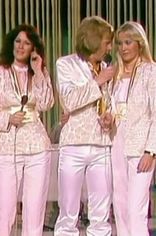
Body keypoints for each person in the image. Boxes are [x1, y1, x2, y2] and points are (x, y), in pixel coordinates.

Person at [0, 24, 54, 236]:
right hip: (8, 146)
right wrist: (8, 118)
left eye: (27, 43)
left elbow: (47, 103)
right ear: (11, 43)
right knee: (5, 212)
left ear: (34, 48)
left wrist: (39, 71)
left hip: (38, 146)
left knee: (34, 211)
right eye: (18, 41)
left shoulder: (39, 73)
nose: (21, 46)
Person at [54, 16, 115, 236]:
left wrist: (110, 115)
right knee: (68, 212)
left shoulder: (107, 67)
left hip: (102, 144)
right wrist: (98, 82)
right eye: (107, 41)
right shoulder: (66, 64)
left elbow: (111, 101)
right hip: (74, 145)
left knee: (101, 213)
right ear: (93, 40)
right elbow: (69, 101)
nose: (110, 46)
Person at [111, 21, 156, 236]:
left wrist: (151, 150)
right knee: (119, 207)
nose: (123, 47)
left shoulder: (150, 71)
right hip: (116, 144)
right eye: (120, 43)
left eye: (128, 42)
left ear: (139, 43)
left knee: (135, 209)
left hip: (140, 148)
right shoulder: (116, 75)